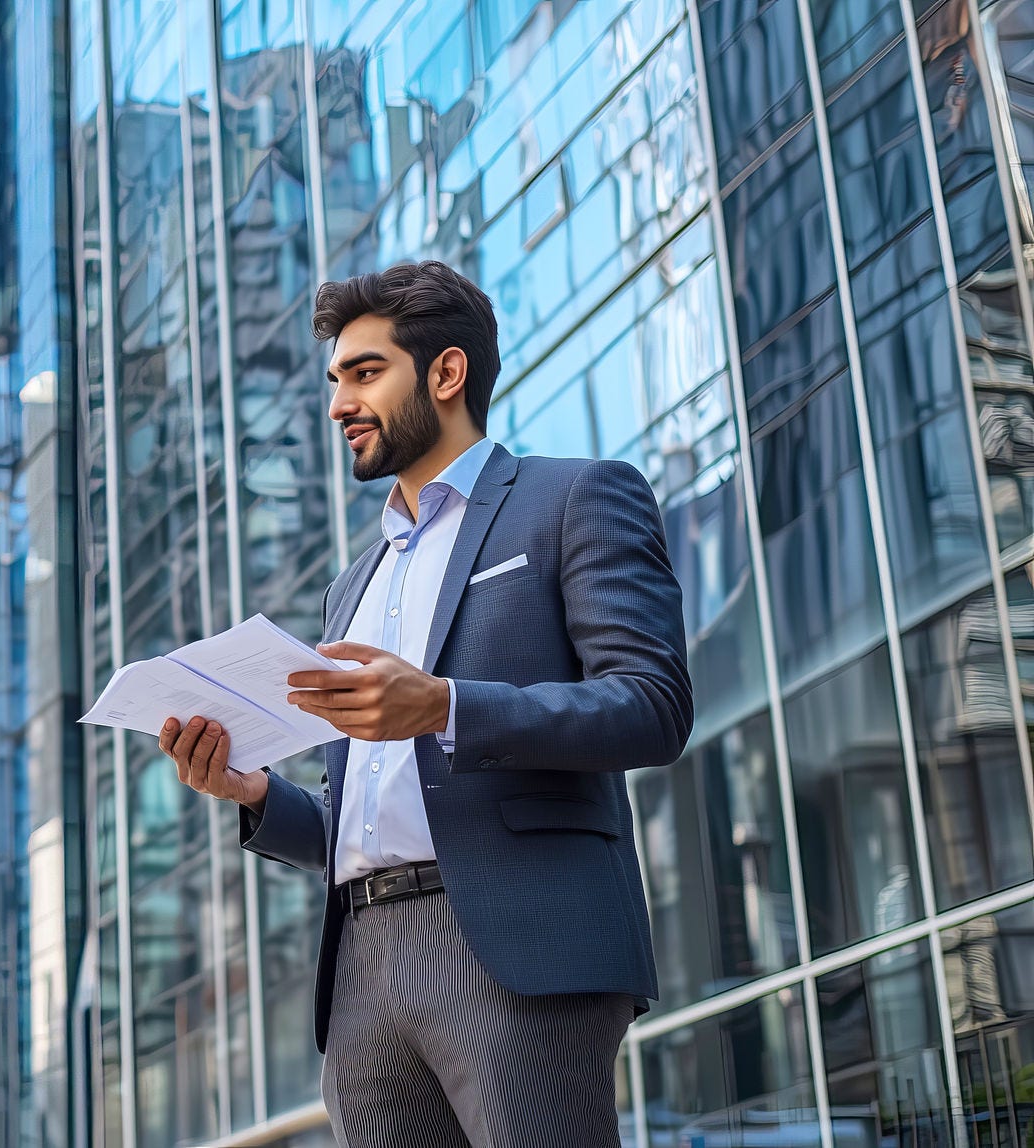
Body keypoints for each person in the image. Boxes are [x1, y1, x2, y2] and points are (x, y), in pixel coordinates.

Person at [162, 261, 692, 1146]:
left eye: (365, 373)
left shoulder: (575, 497)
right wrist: (256, 798)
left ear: (446, 374)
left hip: (514, 947)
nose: (338, 404)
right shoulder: (350, 589)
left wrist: (444, 705)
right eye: (335, 380)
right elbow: (365, 814)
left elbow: (651, 705)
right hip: (364, 968)